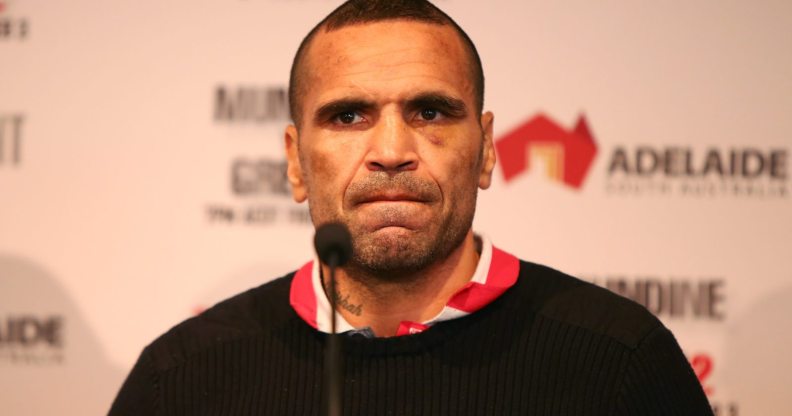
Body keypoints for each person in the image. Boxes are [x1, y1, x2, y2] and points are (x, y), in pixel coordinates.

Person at [110, 1, 713, 414]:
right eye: (349, 116)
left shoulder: (620, 362)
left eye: (430, 112)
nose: (392, 151)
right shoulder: (181, 381)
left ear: (485, 151)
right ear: (295, 162)